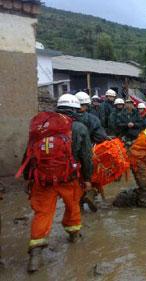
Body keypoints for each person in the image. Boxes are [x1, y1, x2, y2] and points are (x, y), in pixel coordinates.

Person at [17, 94, 93, 273]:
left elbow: (28, 153)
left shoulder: (41, 126)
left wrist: (28, 177)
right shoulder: (79, 127)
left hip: (42, 179)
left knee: (42, 213)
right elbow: (87, 157)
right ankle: (74, 236)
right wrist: (88, 178)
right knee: (73, 206)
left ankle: (35, 255)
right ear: (75, 110)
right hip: (68, 178)